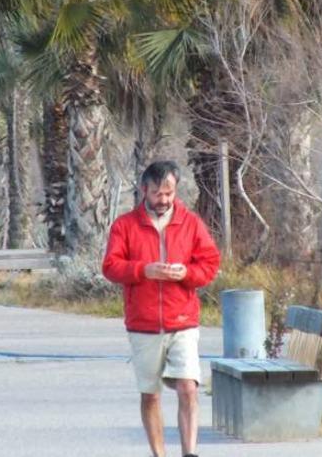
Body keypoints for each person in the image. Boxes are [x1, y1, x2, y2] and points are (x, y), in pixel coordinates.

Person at [102, 160, 221, 457]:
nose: (163, 199)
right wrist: (144, 270)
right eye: (157, 193)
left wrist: (187, 274)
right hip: (143, 324)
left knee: (188, 387)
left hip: (183, 320)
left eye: (169, 193)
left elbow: (209, 264)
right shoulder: (125, 225)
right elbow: (111, 267)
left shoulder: (191, 223)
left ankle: (189, 452)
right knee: (150, 394)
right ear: (144, 190)